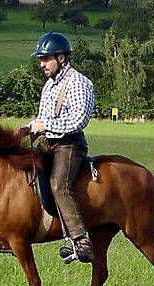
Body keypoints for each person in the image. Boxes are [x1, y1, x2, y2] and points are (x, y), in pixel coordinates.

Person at [27, 32, 95, 263]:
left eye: (45, 59)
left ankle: (81, 241)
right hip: (48, 142)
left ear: (62, 57)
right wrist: (28, 128)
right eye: (40, 59)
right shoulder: (49, 85)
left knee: (59, 185)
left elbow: (79, 120)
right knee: (22, 169)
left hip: (69, 144)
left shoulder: (78, 82)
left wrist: (45, 124)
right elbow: (41, 118)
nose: (42, 64)